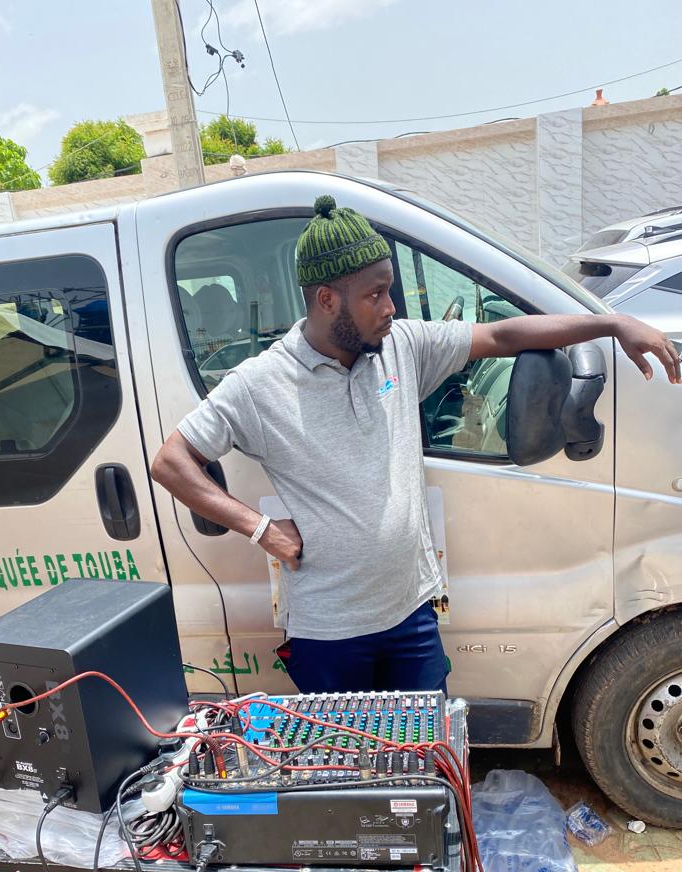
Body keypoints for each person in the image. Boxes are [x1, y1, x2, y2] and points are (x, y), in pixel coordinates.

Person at [151, 195, 680, 694]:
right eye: (375, 294)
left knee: (427, 760)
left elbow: (504, 337)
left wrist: (612, 322)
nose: (390, 306)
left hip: (412, 615)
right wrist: (260, 529)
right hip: (329, 632)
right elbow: (172, 462)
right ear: (327, 300)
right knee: (351, 775)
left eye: (390, 290)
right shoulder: (260, 384)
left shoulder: (401, 346)